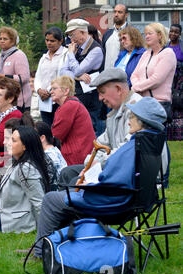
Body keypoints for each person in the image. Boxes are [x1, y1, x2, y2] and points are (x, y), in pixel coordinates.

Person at [32, 97, 167, 259]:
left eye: (132, 117)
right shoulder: (151, 143)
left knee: (51, 199)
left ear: (142, 121)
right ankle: (62, 244)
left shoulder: (133, 146)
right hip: (136, 202)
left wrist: (91, 183)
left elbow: (114, 180)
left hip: (115, 203)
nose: (129, 121)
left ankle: (41, 252)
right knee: (72, 185)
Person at [58, 68, 143, 185]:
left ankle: (67, 201)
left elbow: (126, 150)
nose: (99, 98)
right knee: (67, 173)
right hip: (114, 168)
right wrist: (89, 164)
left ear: (118, 89)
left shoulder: (137, 108)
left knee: (75, 182)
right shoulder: (114, 112)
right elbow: (100, 144)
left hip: (129, 176)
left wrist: (98, 162)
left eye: (102, 92)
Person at [0, 125, 50, 233]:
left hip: (13, 222)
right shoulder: (17, 163)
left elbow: (39, 203)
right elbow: (4, 197)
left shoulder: (26, 169)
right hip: (5, 211)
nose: (7, 143)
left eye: (13, 140)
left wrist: (44, 232)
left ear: (25, 146)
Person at [61, 19, 105, 137]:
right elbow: (63, 71)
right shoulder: (76, 48)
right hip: (79, 95)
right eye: (69, 35)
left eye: (73, 34)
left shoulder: (95, 50)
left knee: (91, 131)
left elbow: (78, 70)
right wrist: (78, 78)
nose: (71, 39)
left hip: (92, 99)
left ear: (83, 33)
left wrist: (70, 55)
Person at [130, 23, 176, 123]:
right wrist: (136, 86)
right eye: (145, 34)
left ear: (160, 35)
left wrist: (136, 88)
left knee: (156, 136)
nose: (146, 36)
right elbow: (134, 75)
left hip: (159, 104)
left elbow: (157, 79)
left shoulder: (168, 53)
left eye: (150, 33)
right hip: (142, 102)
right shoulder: (146, 54)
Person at [50, 75, 95, 166]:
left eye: (54, 89)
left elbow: (56, 134)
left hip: (77, 157)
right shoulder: (71, 104)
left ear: (66, 91)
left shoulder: (69, 106)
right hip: (80, 154)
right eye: (51, 89)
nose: (51, 92)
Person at [0, 26, 31, 112]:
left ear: (13, 41)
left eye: (5, 39)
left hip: (18, 102)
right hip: (1, 101)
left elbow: (24, 78)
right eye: (0, 38)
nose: (2, 41)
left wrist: (3, 77)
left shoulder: (19, 55)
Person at [35, 27, 69, 126]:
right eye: (47, 40)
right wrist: (39, 90)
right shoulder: (44, 57)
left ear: (60, 41)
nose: (49, 43)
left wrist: (49, 91)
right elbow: (38, 76)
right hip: (44, 99)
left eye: (52, 41)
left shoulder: (65, 54)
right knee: (46, 127)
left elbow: (62, 76)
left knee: (58, 127)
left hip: (57, 98)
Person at [167, 24, 183, 141]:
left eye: (176, 32)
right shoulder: (165, 47)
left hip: (180, 82)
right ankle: (170, 135)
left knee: (179, 105)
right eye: (171, 31)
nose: (173, 34)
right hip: (168, 81)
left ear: (180, 34)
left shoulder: (181, 47)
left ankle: (179, 134)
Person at [101, 4, 129, 70]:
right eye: (115, 12)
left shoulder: (131, 33)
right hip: (107, 75)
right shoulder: (107, 34)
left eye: (120, 12)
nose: (116, 14)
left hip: (123, 75)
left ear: (126, 15)